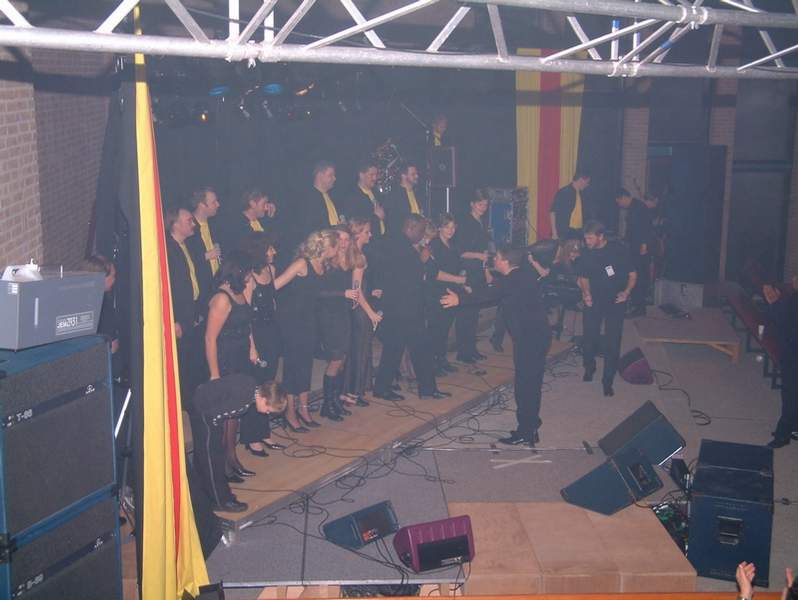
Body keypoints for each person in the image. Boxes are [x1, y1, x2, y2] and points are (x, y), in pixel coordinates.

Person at [441, 246, 552, 447]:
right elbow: (493, 289)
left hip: (529, 340)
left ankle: (527, 431)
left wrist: (459, 299)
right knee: (532, 382)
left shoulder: (511, 281)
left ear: (506, 262)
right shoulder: (522, 274)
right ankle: (532, 423)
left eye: (497, 258)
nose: (495, 260)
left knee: (525, 386)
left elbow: (489, 295)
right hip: (538, 335)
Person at [372, 214, 450, 401]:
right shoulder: (399, 247)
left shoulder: (402, 245)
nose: (422, 235)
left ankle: (425, 389)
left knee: (415, 348)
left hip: (407, 307)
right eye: (421, 231)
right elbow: (405, 277)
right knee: (398, 349)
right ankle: (387, 388)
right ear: (410, 228)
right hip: (401, 308)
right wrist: (421, 261)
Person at [191, 375, 287, 513]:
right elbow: (217, 414)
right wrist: (214, 434)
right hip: (205, 412)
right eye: (268, 409)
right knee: (213, 460)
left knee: (206, 456)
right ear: (263, 398)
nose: (267, 413)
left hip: (205, 406)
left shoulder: (251, 386)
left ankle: (204, 494)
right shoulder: (243, 401)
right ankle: (221, 501)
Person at [274, 229, 338, 431]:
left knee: (305, 366)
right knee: (293, 367)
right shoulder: (302, 263)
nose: (337, 250)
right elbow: (275, 285)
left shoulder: (323, 265)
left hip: (310, 320)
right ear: (326, 247)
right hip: (293, 321)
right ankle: (289, 412)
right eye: (335, 246)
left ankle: (303, 409)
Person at [204, 250, 260, 482]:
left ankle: (232, 457)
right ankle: (225, 464)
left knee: (236, 412)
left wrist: (252, 347)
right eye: (247, 273)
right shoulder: (222, 299)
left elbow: (247, 325)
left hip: (240, 356)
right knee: (227, 413)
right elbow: (210, 338)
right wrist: (214, 374)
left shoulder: (238, 292)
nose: (249, 276)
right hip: (226, 358)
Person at [577, 220, 637, 397]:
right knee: (589, 337)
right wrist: (586, 293)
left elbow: (632, 274)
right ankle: (589, 367)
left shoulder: (618, 250)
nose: (587, 241)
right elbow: (583, 277)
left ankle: (607, 380)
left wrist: (626, 293)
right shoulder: (586, 252)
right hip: (593, 300)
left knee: (613, 341)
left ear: (601, 236)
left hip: (615, 300)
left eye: (590, 238)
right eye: (585, 238)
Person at [238, 231, 284, 457]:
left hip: (271, 332)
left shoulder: (270, 270)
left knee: (269, 383)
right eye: (269, 248)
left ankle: (264, 432)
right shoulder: (249, 277)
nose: (274, 252)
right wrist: (252, 346)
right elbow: (245, 315)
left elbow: (273, 303)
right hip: (255, 333)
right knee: (255, 385)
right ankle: (251, 437)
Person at [317, 226, 362, 421]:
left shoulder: (350, 261)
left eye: (346, 239)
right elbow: (318, 293)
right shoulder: (327, 262)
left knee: (342, 359)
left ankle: (335, 400)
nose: (343, 243)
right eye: (340, 239)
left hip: (343, 314)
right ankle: (327, 405)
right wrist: (343, 293)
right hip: (329, 316)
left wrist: (353, 296)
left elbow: (355, 287)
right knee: (335, 360)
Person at [165, 206, 205, 406]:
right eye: (189, 220)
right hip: (179, 317)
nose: (193, 223)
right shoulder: (168, 250)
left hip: (192, 311)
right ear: (175, 224)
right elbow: (166, 288)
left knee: (192, 358)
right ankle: (182, 402)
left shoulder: (187, 245)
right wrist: (173, 320)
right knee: (181, 361)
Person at [343, 218, 383, 406]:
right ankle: (353, 392)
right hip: (360, 310)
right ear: (358, 234)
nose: (370, 235)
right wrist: (371, 313)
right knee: (359, 350)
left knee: (360, 350)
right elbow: (356, 290)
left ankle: (354, 390)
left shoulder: (353, 254)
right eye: (367, 232)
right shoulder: (358, 257)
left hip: (359, 306)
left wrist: (371, 291)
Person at [454, 190, 492, 364]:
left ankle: (471, 349)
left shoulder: (481, 222)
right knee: (465, 314)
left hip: (478, 270)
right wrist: (479, 256)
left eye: (485, 205)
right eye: (480, 204)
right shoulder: (465, 223)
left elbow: (483, 250)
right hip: (467, 271)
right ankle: (463, 352)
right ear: (472, 204)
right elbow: (461, 252)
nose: (483, 208)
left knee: (473, 313)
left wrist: (486, 270)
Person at [427, 214, 468, 374]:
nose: (451, 230)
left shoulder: (452, 245)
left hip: (451, 291)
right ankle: (433, 363)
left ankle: (441, 359)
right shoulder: (434, 245)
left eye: (453, 227)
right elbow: (434, 273)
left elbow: (458, 265)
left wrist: (463, 279)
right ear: (439, 228)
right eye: (447, 227)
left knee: (444, 329)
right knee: (436, 329)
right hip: (437, 292)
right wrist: (459, 279)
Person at [763, 276, 798, 448]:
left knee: (791, 396)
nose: (794, 279)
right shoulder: (794, 298)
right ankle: (795, 427)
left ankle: (782, 435)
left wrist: (774, 302)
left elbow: (784, 322)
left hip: (794, 356)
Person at [615, 188, 653, 317]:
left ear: (623, 197)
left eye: (619, 202)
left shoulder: (640, 207)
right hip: (634, 247)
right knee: (634, 274)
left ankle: (639, 307)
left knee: (640, 276)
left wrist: (644, 244)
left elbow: (646, 227)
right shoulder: (633, 208)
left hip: (641, 248)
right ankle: (636, 304)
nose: (619, 205)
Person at [187, 186, 223, 307]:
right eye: (214, 202)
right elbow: (183, 260)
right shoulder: (188, 228)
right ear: (202, 205)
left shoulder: (214, 224)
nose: (218, 204)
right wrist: (206, 256)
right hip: (201, 293)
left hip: (216, 285)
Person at [293, 161, 341, 245]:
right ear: (319, 176)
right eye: (330, 175)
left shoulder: (332, 197)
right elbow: (308, 227)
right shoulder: (307, 198)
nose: (334, 178)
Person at [221, 188, 277, 252]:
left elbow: (272, 242)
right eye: (264, 203)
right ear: (252, 203)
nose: (266, 207)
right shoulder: (238, 226)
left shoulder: (263, 222)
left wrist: (271, 217)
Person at [344, 159, 385, 237]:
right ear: (361, 175)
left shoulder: (376, 193)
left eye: (376, 175)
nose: (375, 178)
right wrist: (376, 217)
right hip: (367, 240)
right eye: (371, 175)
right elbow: (354, 224)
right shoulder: (353, 197)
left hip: (381, 237)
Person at [383, 161, 423, 235]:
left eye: (417, 174)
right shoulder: (394, 195)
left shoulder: (417, 193)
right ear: (403, 175)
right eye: (413, 174)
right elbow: (390, 221)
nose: (417, 176)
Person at [550, 171, 592, 240]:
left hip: (578, 232)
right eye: (587, 182)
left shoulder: (582, 194)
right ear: (581, 180)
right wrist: (554, 233)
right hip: (565, 232)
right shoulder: (564, 192)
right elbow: (553, 212)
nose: (587, 185)